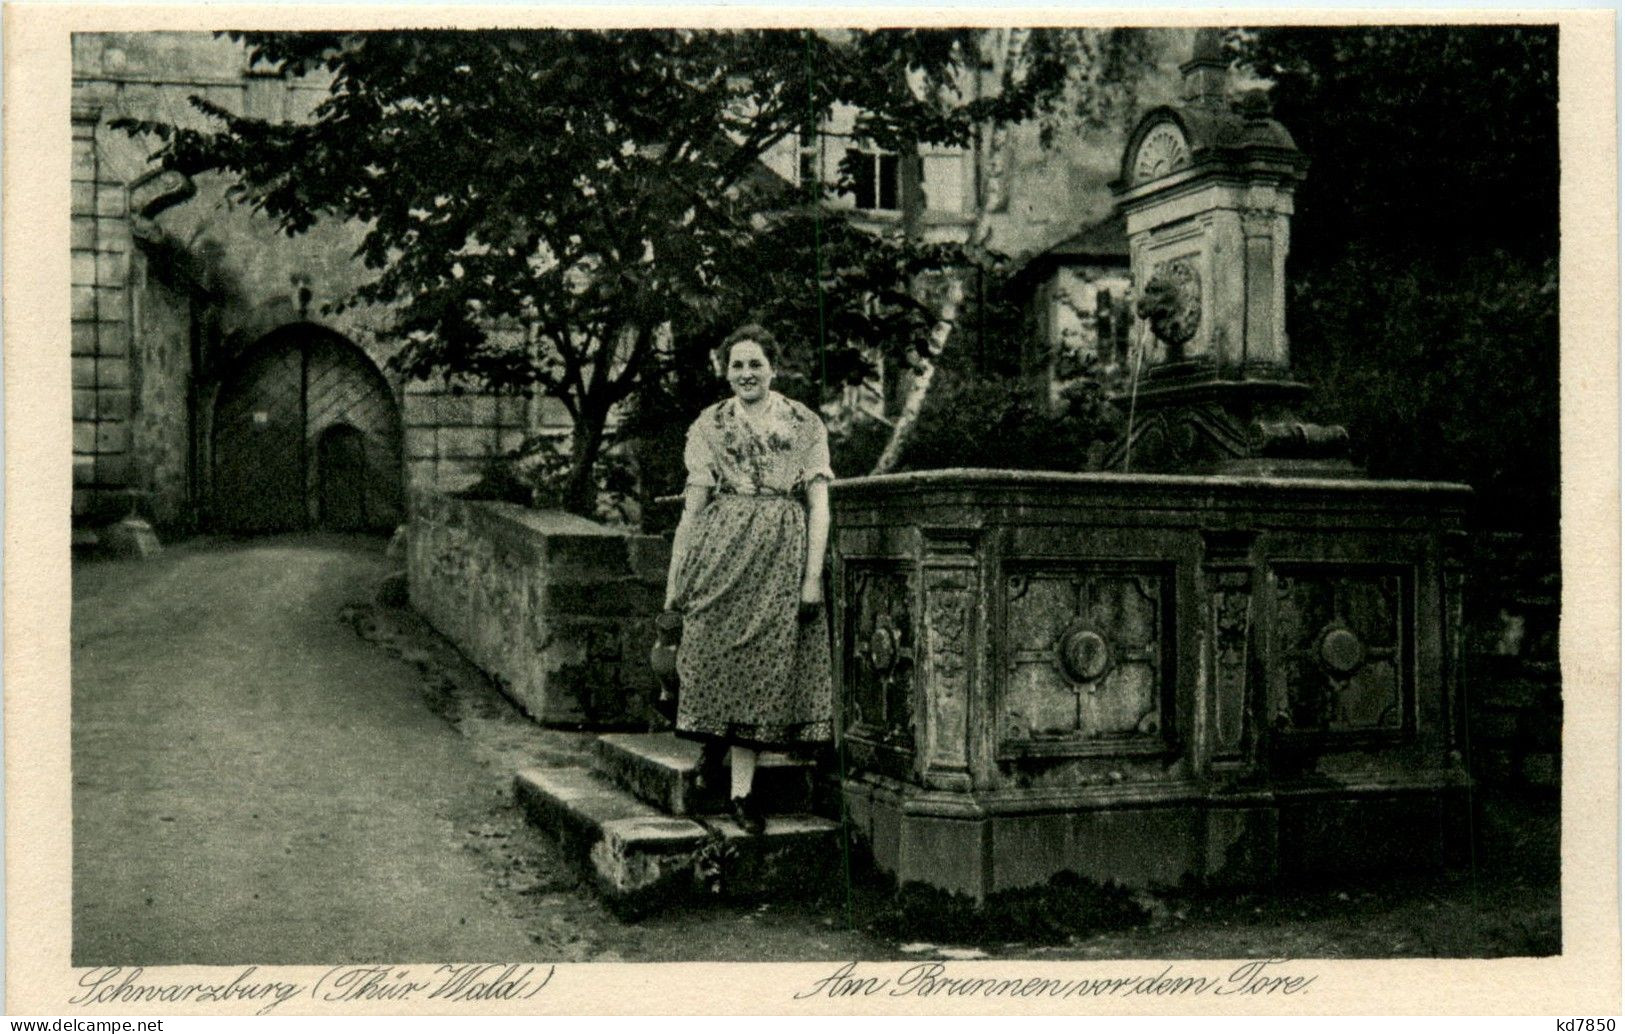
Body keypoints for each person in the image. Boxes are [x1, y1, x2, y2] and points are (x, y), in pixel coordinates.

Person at [662, 324, 834, 834]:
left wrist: (812, 577)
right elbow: (692, 512)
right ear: (725, 371)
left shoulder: (803, 423)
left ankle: (742, 794)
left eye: (755, 363)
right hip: (719, 554)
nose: (746, 374)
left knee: (762, 668)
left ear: (773, 368)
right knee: (712, 653)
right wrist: (676, 581)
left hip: (779, 556)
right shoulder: (710, 424)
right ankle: (712, 750)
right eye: (736, 365)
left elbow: (818, 506)